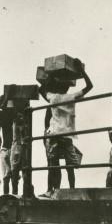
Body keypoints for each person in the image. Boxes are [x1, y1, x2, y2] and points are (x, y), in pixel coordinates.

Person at [39, 60, 93, 197]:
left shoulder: (53, 97)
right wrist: (81, 71)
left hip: (54, 135)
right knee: (70, 167)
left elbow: (41, 89)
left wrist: (51, 74)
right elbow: (89, 86)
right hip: (67, 136)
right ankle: (72, 189)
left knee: (53, 164)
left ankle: (51, 191)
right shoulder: (72, 97)